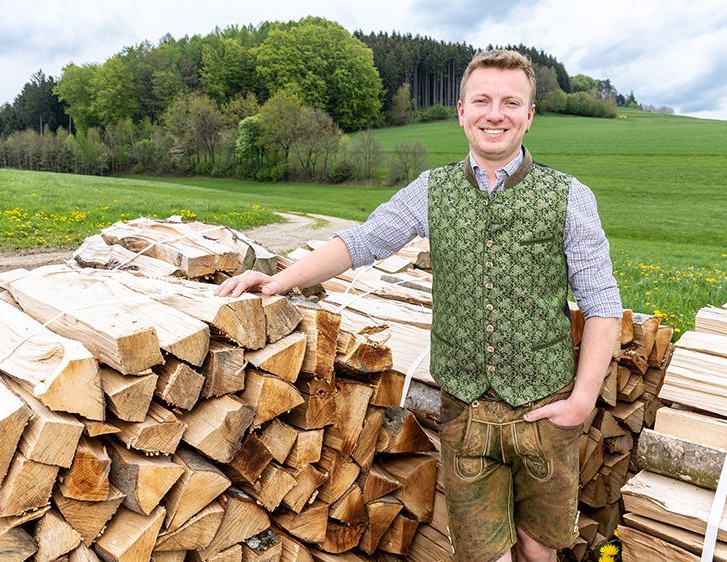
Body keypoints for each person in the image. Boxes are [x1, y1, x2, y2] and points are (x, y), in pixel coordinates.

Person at [216, 49, 622, 562]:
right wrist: (277, 281)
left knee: (539, 549)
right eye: (482, 100)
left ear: (529, 114)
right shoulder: (431, 190)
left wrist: (584, 399)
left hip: (547, 408)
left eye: (510, 102)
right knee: (482, 554)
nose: (494, 113)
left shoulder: (569, 197)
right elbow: (361, 243)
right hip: (465, 410)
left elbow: (601, 299)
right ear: (460, 110)